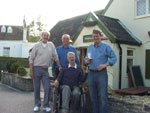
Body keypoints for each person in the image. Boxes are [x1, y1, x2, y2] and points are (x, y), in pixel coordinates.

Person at [85, 29, 117, 113]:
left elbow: (114, 58)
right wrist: (87, 61)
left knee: (102, 97)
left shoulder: (106, 47)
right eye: (94, 36)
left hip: (101, 74)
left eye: (97, 36)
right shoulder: (90, 47)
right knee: (93, 97)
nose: (95, 38)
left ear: (100, 37)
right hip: (91, 74)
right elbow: (86, 59)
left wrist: (104, 65)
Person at [29, 31, 61, 112]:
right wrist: (31, 70)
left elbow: (56, 56)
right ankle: (37, 105)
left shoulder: (51, 45)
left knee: (47, 87)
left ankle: (46, 106)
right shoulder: (36, 45)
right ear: (42, 36)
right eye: (44, 35)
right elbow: (31, 58)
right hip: (36, 68)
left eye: (47, 35)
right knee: (37, 88)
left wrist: (59, 66)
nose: (46, 37)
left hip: (45, 69)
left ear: (49, 37)